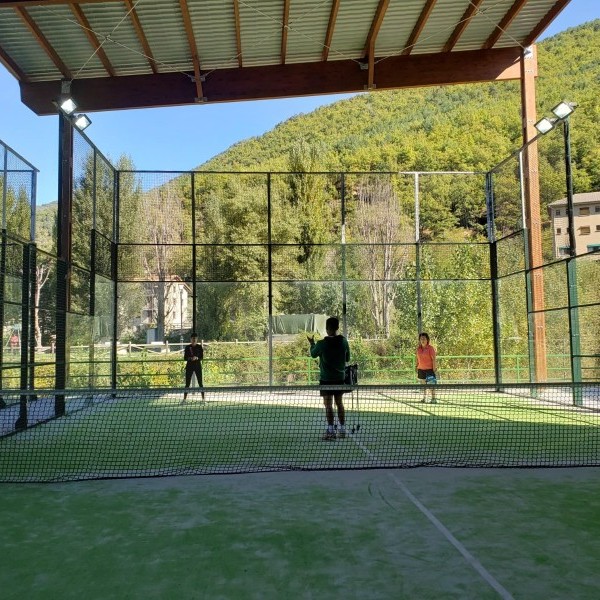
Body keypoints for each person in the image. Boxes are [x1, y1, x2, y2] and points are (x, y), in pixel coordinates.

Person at [307, 316, 351, 440]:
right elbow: (347, 359)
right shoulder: (344, 342)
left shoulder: (321, 344)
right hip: (339, 379)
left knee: (328, 405)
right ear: (337, 328)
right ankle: (342, 430)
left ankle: (331, 431)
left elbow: (313, 354)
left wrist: (312, 343)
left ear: (327, 329)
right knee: (339, 403)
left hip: (326, 380)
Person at [182, 333, 205, 403]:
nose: (194, 340)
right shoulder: (187, 347)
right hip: (189, 366)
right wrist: (190, 358)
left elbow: (201, 357)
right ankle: (184, 399)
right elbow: (185, 358)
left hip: (198, 366)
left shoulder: (199, 347)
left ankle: (203, 399)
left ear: (197, 339)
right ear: (191, 339)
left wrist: (197, 358)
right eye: (192, 339)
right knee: (187, 383)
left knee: (200, 383)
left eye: (195, 339)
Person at [416, 332, 437, 404]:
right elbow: (417, 358)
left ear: (427, 340)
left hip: (430, 370)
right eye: (421, 339)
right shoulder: (418, 349)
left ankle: (433, 399)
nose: (422, 340)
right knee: (424, 385)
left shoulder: (431, 348)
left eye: (424, 339)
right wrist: (417, 366)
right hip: (421, 369)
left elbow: (434, 359)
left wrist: (434, 368)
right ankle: (424, 398)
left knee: (431, 385)